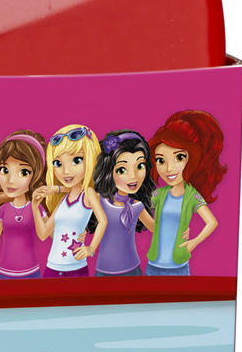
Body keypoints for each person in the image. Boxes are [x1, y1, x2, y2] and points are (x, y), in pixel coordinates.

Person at [147, 109, 226, 274]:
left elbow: (212, 222)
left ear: (193, 158)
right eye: (161, 160)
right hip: (153, 265)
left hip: (178, 266)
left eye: (179, 158)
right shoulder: (159, 194)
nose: (169, 168)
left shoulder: (192, 195)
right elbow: (142, 210)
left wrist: (194, 241)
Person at [0, 133, 49, 279]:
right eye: (5, 170)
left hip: (31, 273)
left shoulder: (36, 207)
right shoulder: (3, 210)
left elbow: (51, 235)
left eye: (23, 172)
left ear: (35, 176)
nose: (10, 180)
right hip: (3, 274)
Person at [40, 125, 104, 277]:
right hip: (52, 267)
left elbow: (103, 221)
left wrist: (91, 249)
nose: (66, 171)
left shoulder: (89, 194)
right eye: (58, 163)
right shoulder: (62, 200)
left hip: (77, 267)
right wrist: (37, 207)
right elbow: (43, 234)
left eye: (76, 160)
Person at [89, 131, 154, 278]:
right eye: (122, 170)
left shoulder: (137, 206)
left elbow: (156, 229)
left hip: (133, 270)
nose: (133, 176)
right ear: (108, 171)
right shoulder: (99, 200)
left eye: (140, 166)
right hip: (104, 270)